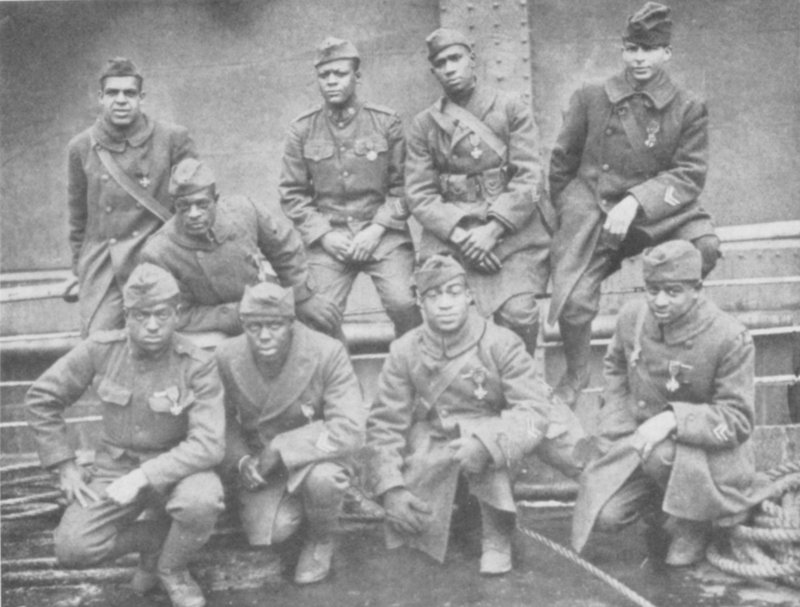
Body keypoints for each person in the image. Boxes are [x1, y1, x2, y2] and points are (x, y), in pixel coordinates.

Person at [548, 2, 721, 406]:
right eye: (632, 49)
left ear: (666, 53)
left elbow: (689, 174)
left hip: (660, 211)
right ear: (623, 51)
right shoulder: (592, 97)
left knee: (705, 248)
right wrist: (571, 214)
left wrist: (636, 201)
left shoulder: (687, 106)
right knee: (574, 301)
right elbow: (562, 162)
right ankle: (576, 372)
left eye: (650, 49)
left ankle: (666, 341)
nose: (640, 58)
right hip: (597, 209)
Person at [366, 255, 584, 575]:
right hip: (438, 439)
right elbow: (385, 424)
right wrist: (390, 488)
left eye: (453, 292)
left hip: (495, 436)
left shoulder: (501, 342)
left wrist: (486, 444)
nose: (444, 304)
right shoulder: (405, 350)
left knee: (487, 439)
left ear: (469, 296)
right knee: (414, 536)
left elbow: (533, 411)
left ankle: (497, 534)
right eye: (433, 296)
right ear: (420, 302)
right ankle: (458, 514)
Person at [25, 264, 225, 607]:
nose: (152, 325)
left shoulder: (197, 363)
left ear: (177, 314)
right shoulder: (100, 349)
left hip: (178, 469)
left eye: (162, 314)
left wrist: (143, 476)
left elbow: (209, 444)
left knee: (201, 500)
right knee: (73, 547)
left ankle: (173, 568)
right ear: (127, 316)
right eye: (141, 315)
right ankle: (154, 542)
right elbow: (41, 398)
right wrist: (64, 465)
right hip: (114, 468)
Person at [571, 241, 766, 566]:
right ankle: (664, 510)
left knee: (660, 456)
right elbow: (615, 365)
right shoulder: (633, 317)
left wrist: (673, 420)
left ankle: (695, 523)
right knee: (605, 516)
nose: (660, 301)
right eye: (653, 290)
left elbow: (738, 419)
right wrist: (615, 424)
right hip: (643, 441)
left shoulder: (730, 337)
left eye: (673, 292)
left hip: (707, 455)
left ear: (696, 289)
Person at [405, 28, 552, 357]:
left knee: (519, 314)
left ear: (472, 60)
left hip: (512, 235)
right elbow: (419, 193)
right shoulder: (424, 125)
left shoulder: (511, 108)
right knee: (445, 314)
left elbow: (530, 177)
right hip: (452, 237)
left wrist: (493, 230)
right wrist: (462, 237)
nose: (449, 68)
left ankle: (520, 377)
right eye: (441, 63)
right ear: (434, 71)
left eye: (455, 58)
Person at [216, 282, 365, 585]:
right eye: (255, 326)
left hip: (317, 456)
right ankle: (302, 512)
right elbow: (220, 421)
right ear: (243, 325)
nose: (264, 335)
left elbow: (350, 428)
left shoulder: (326, 351)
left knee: (324, 480)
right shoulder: (226, 355)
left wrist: (282, 446)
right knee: (272, 532)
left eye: (274, 325)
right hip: (263, 465)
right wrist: (241, 461)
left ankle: (321, 537)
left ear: (291, 323)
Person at [279, 37, 421, 338]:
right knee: (318, 314)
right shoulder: (302, 129)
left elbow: (405, 187)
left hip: (383, 234)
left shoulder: (386, 123)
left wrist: (377, 229)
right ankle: (337, 367)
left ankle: (412, 361)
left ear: (357, 76)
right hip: (330, 237)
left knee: (404, 303)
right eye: (324, 75)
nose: (331, 81)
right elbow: (292, 194)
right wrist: (324, 235)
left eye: (340, 74)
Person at [67, 57, 197, 336]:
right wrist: (79, 269)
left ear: (141, 98)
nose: (121, 100)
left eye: (129, 93)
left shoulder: (172, 138)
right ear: (100, 97)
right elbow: (79, 218)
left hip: (159, 259)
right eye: (112, 93)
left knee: (162, 336)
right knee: (99, 342)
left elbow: (195, 201)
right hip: (105, 266)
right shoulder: (81, 146)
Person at [140, 158, 340, 336]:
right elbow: (179, 315)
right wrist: (239, 313)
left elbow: (285, 248)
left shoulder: (243, 211)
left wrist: (301, 297)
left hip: (263, 305)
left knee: (323, 323)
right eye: (184, 206)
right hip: (212, 328)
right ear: (174, 205)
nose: (193, 214)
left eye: (202, 205)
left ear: (216, 199)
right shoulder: (159, 252)